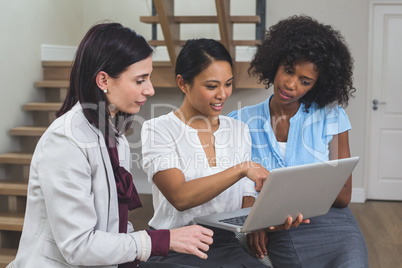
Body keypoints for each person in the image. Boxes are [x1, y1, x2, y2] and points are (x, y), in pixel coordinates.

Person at [12, 22, 214, 268]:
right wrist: (162, 240)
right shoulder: (65, 141)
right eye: (140, 80)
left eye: (148, 78)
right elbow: (78, 247)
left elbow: (116, 227)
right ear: (103, 80)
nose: (150, 89)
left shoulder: (114, 136)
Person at [141, 38, 306, 267]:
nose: (223, 94)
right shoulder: (158, 129)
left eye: (228, 84)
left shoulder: (239, 130)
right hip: (174, 246)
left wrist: (265, 221)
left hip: (225, 246)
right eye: (211, 86)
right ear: (182, 83)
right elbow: (180, 197)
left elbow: (246, 201)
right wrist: (241, 169)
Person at [228, 15, 369, 267]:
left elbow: (343, 195)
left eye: (305, 81)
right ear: (275, 63)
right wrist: (255, 221)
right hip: (277, 226)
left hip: (332, 224)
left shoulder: (331, 117)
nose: (290, 85)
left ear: (316, 86)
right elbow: (233, 188)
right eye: (288, 70)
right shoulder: (239, 122)